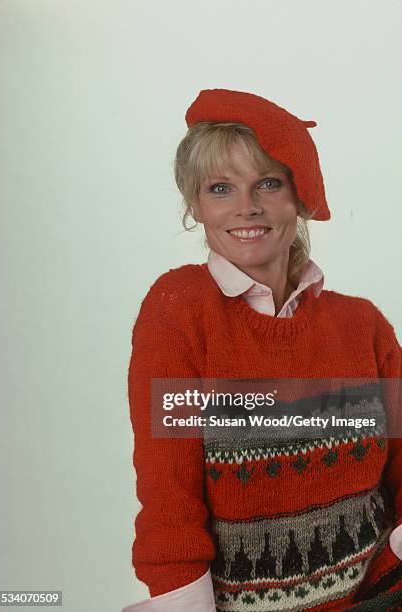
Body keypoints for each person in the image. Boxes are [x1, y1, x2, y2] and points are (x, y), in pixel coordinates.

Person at [122, 89, 402, 611]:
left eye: (268, 183)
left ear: (302, 196)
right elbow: (168, 495)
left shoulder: (362, 325)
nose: (246, 207)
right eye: (220, 188)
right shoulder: (179, 310)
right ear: (196, 205)